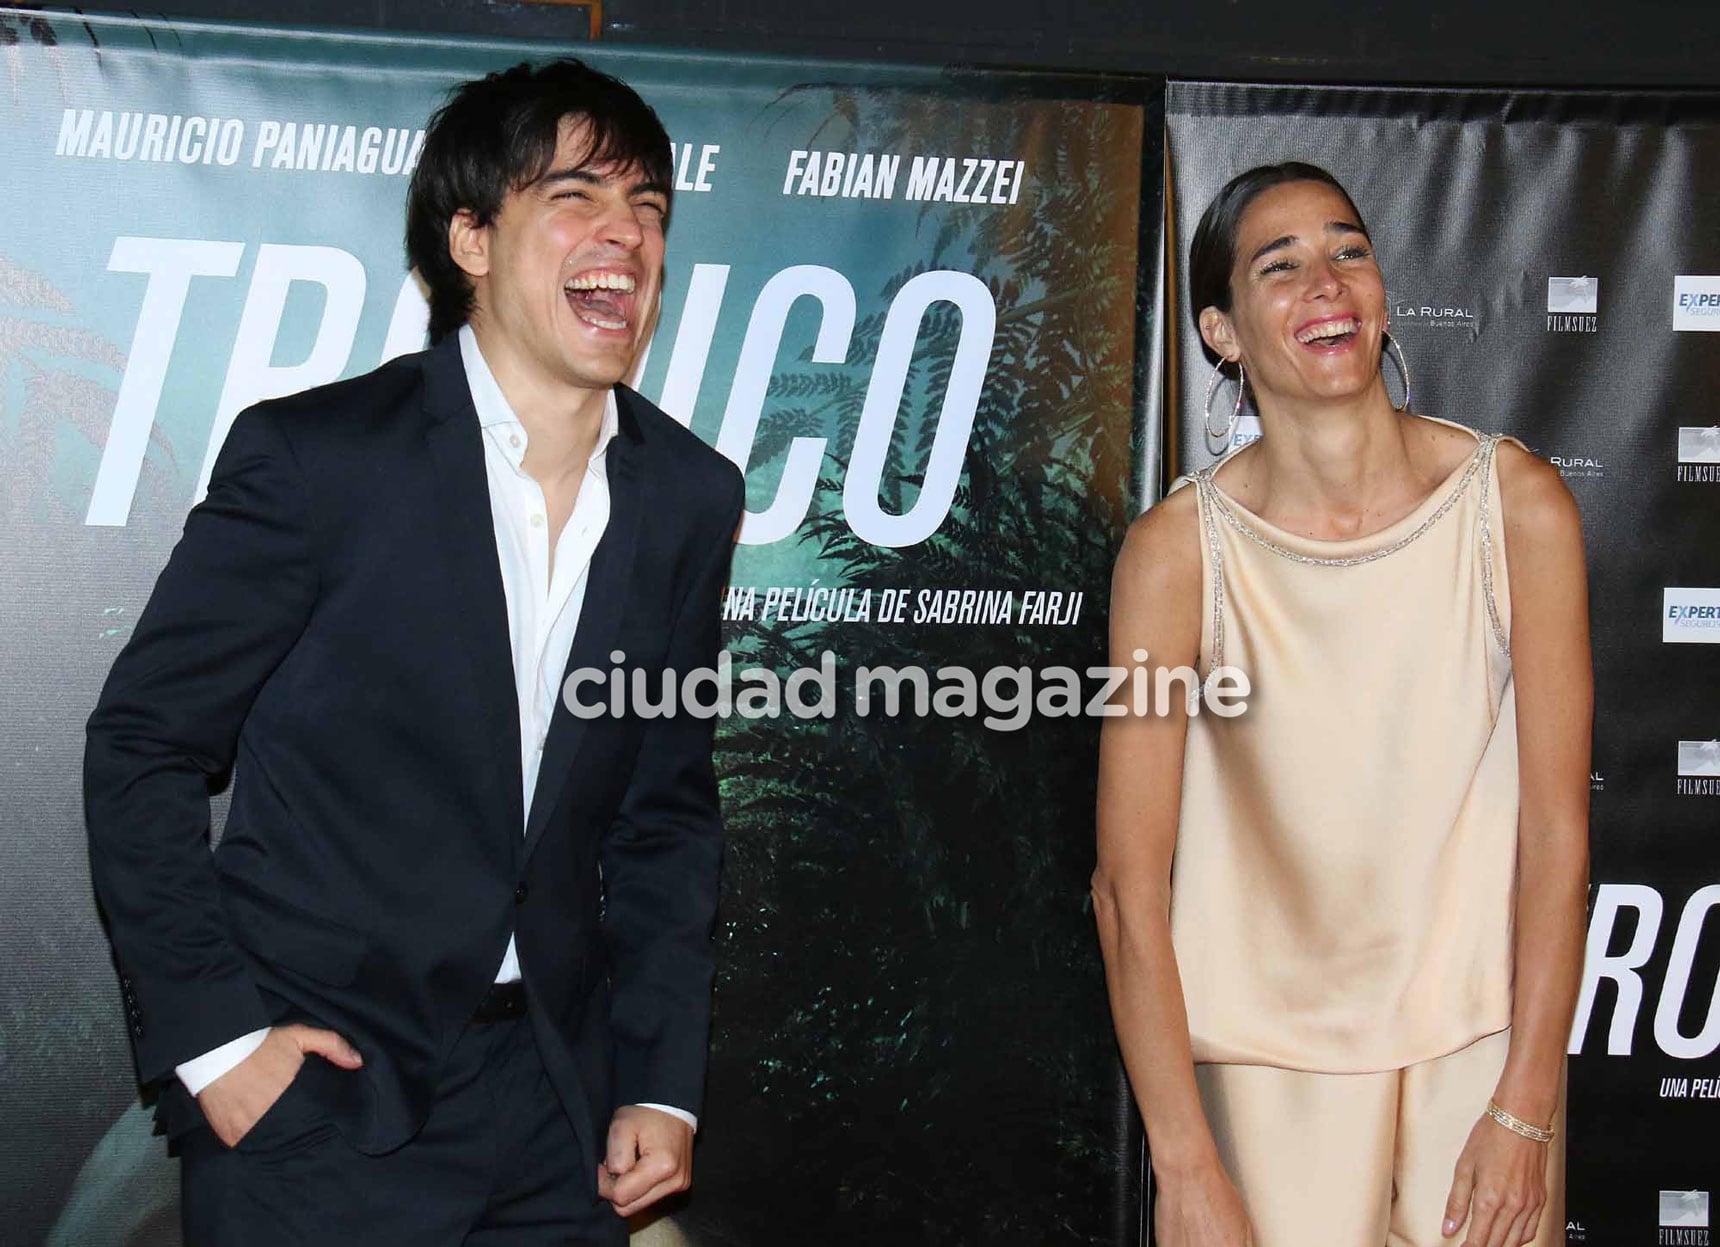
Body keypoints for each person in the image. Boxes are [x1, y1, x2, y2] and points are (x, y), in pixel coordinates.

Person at [84, 58, 744, 1246]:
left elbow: (664, 814)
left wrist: (658, 1078)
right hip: (322, 1105)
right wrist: (223, 1047)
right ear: (472, 240)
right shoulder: (320, 461)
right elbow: (142, 745)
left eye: (648, 209)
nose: (626, 237)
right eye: (577, 198)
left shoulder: (689, 496)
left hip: (558, 1112)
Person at [1092, 163, 1590, 1247]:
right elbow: (1129, 886)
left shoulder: (1517, 506)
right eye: (1281, 266)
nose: (1326, 282)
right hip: (1268, 1078)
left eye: (1347, 250)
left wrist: (1527, 1104)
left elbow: (1557, 833)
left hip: (1481, 1048)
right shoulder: (1176, 555)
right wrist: (1183, 1164)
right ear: (1220, 332)